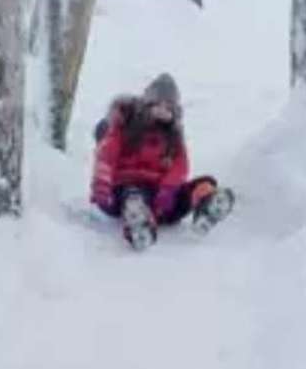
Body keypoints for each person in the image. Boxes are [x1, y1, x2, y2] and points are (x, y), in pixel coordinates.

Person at [89, 74, 234, 250]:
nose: (163, 111)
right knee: (133, 194)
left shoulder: (172, 136)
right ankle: (138, 222)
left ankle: (208, 202)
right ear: (148, 104)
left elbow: (180, 165)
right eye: (159, 105)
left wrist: (169, 189)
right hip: (124, 189)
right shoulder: (126, 126)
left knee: (202, 182)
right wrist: (101, 183)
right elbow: (106, 154)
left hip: (161, 197)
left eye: (168, 108)